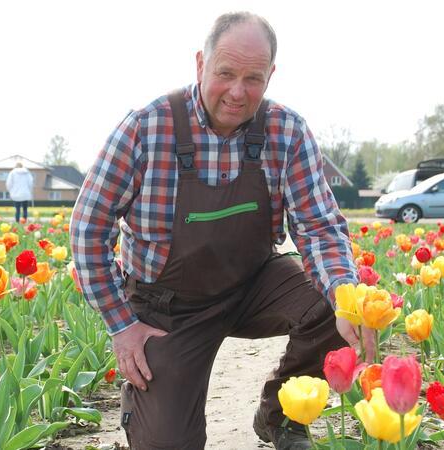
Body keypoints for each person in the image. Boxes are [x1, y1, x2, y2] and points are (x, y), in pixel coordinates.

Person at [70, 12, 371, 450]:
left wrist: (348, 299)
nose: (237, 91)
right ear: (200, 64)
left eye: (253, 78)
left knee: (334, 299)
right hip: (168, 308)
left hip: (251, 285)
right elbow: (88, 227)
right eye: (225, 73)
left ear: (271, 75)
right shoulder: (148, 127)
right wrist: (123, 326)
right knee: (168, 443)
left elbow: (320, 228)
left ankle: (281, 415)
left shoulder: (286, 131)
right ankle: (147, 408)